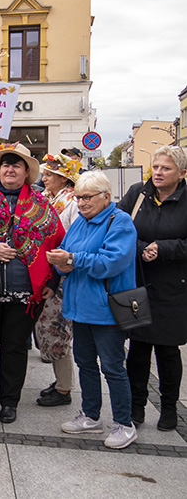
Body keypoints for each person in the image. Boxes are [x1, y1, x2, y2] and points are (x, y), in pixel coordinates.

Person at [0, 143, 64, 424]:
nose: (9, 169)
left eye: (16, 165)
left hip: (25, 291)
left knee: (15, 348)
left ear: (26, 173)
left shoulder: (43, 205)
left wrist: (53, 282)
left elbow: (57, 243)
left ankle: (9, 402)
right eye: (5, 164)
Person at [48, 171, 138, 449]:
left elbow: (112, 262)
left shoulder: (119, 222)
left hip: (107, 309)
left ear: (106, 197)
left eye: (87, 198)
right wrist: (59, 263)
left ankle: (124, 423)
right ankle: (90, 415)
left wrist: (73, 259)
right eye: (78, 198)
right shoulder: (80, 222)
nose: (82, 203)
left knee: (112, 367)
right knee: (85, 363)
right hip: (79, 306)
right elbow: (64, 251)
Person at [118, 145, 187, 431]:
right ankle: (137, 405)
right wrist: (142, 248)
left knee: (168, 351)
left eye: (166, 168)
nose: (158, 173)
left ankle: (169, 407)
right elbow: (116, 230)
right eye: (156, 167)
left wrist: (165, 249)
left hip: (174, 288)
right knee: (138, 348)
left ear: (181, 174)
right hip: (139, 283)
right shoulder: (138, 194)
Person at [35, 153, 81, 407]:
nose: (44, 178)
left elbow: (72, 239)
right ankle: (60, 382)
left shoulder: (72, 202)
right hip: (45, 273)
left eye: (49, 175)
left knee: (57, 331)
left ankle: (64, 389)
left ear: (64, 178)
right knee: (46, 330)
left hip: (61, 277)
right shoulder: (47, 198)